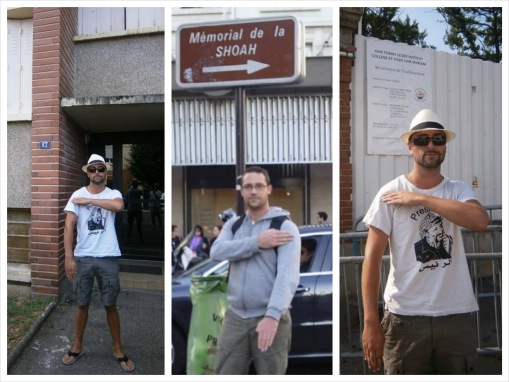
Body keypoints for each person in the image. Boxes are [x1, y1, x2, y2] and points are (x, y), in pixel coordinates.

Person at [361, 109, 489, 375]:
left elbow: (479, 220)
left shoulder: (458, 189)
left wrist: (421, 199)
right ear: (410, 146)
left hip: (456, 315)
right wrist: (370, 321)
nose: (431, 145)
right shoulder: (390, 192)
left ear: (444, 146)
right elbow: (371, 259)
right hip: (405, 318)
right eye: (422, 140)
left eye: (437, 139)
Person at [210, 166, 301, 374]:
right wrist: (257, 242)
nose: (253, 191)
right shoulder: (234, 225)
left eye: (259, 186)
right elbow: (216, 251)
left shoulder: (285, 228)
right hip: (235, 317)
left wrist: (272, 315)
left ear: (268, 189)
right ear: (241, 191)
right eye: (248, 186)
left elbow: (287, 277)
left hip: (269, 316)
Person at [62, 154, 135, 372]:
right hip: (83, 257)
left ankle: (118, 349)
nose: (96, 173)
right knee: (82, 303)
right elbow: (68, 228)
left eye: (100, 169)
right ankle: (77, 346)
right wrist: (68, 257)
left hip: (108, 256)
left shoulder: (113, 193)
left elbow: (118, 206)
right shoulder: (76, 195)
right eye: (92, 169)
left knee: (110, 305)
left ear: (106, 172)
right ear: (87, 172)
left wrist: (90, 201)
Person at [125, 178, 144, 243]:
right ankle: (140, 239)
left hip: (131, 209)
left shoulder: (128, 191)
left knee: (130, 225)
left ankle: (128, 238)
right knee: (139, 225)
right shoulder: (139, 191)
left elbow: (126, 198)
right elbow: (144, 195)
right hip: (138, 209)